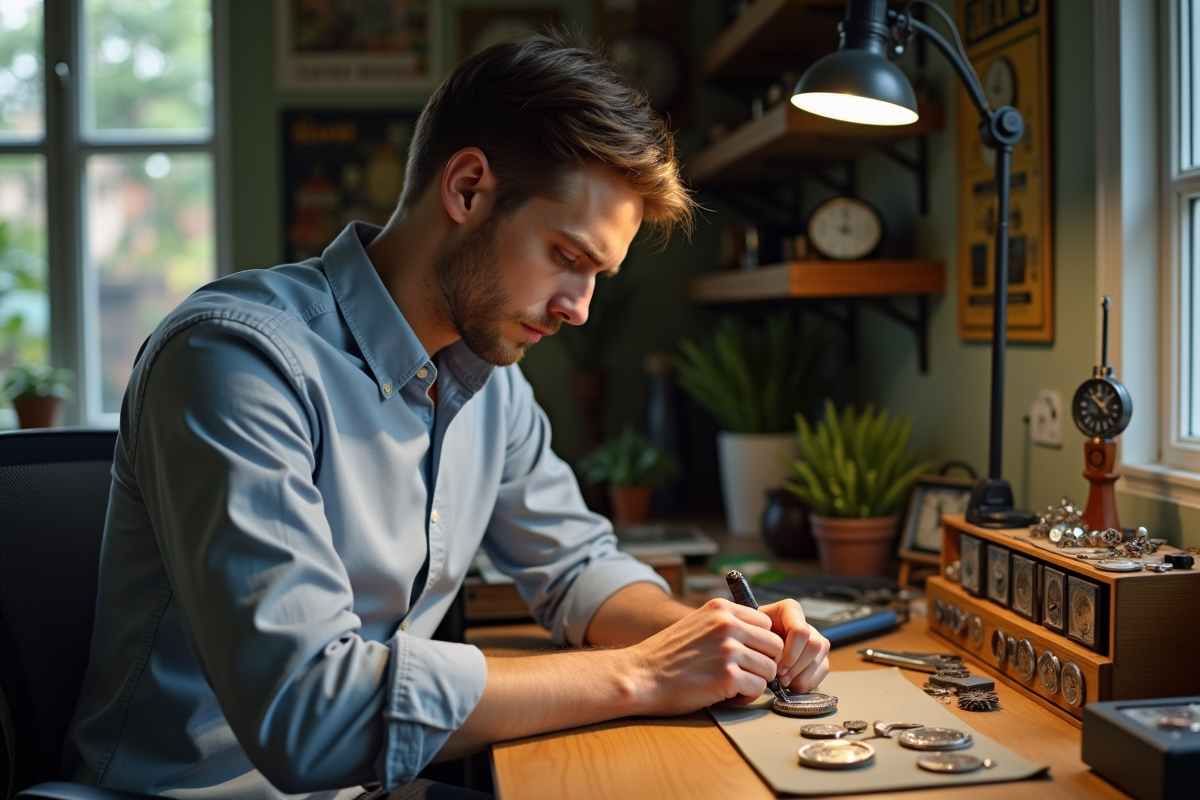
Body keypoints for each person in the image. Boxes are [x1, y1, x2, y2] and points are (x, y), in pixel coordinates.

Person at [63, 33, 830, 800]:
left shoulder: (490, 380)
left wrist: (722, 640)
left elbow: (575, 569)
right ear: (467, 189)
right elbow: (307, 717)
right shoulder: (236, 360)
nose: (580, 308)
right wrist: (643, 674)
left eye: (598, 275)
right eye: (567, 255)